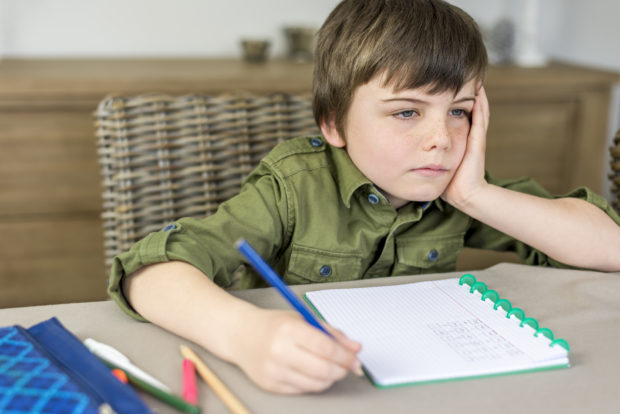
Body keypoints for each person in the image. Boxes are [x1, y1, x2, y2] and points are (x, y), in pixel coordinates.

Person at [107, 0, 620, 394]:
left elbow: (609, 248)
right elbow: (148, 273)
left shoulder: (456, 187)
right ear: (334, 123)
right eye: (406, 112)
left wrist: (478, 194)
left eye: (460, 111)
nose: (441, 138)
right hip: (303, 387)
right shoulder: (293, 186)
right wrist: (245, 334)